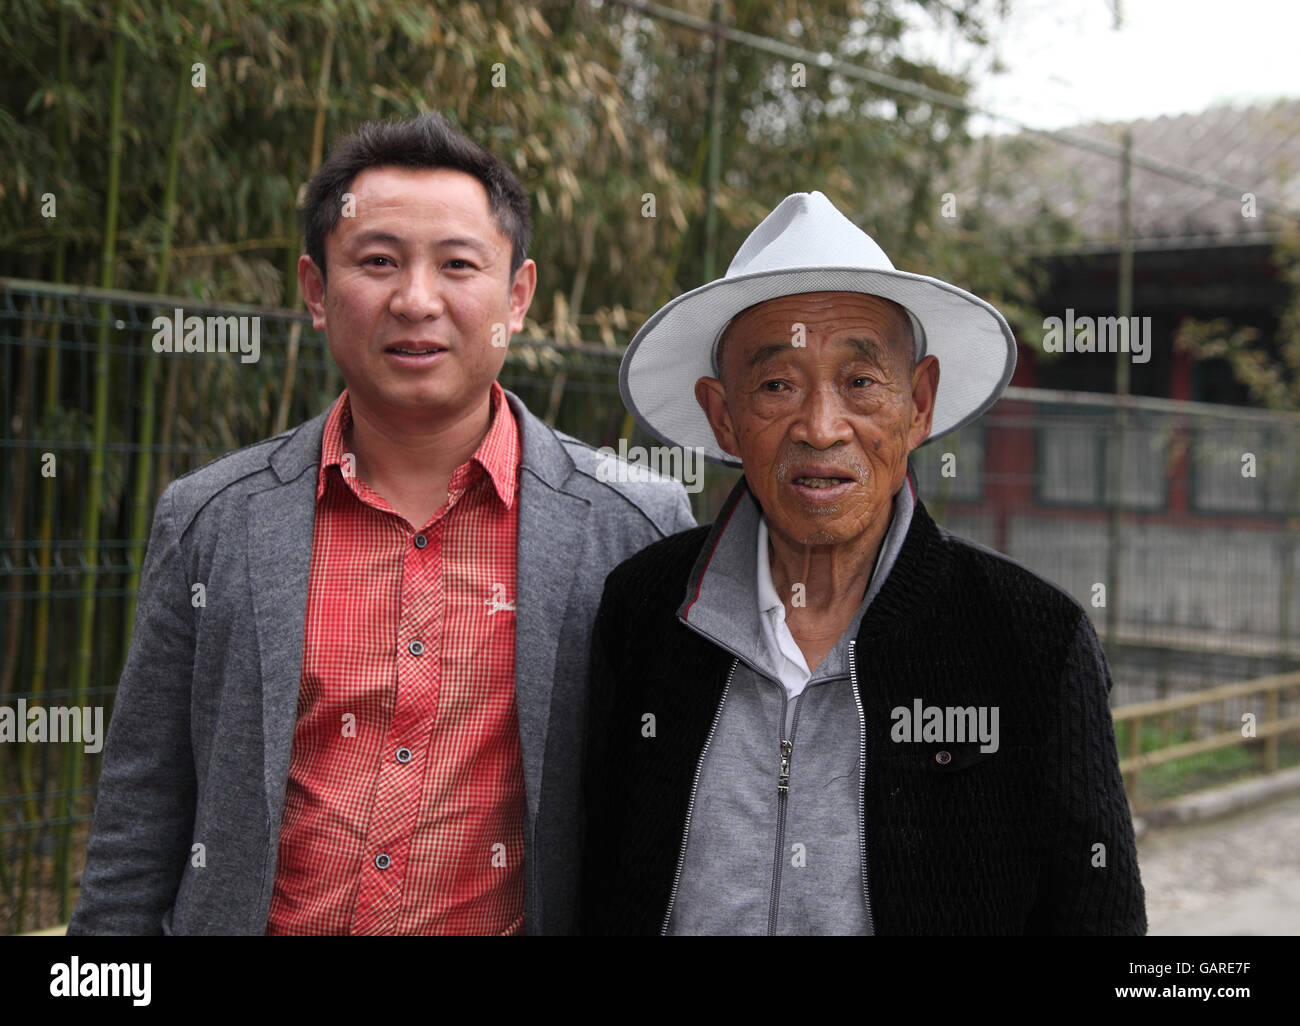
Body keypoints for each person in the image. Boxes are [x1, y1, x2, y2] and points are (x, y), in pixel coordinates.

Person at [68, 113, 694, 936]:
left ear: (518, 295)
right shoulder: (212, 519)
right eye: (378, 262)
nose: (415, 300)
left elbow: (670, 824)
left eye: (458, 265)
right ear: (317, 292)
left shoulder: (634, 526)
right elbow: (139, 817)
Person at [580, 191, 1146, 935]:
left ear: (918, 403)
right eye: (778, 384)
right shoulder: (645, 611)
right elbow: (597, 884)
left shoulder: (1032, 642)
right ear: (723, 415)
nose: (820, 428)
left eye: (860, 382)